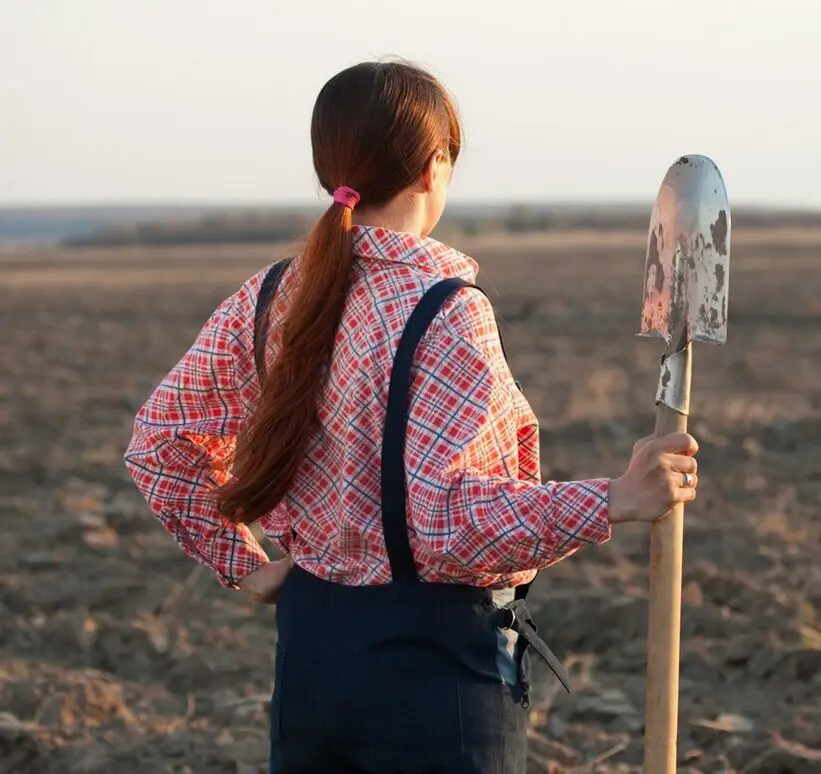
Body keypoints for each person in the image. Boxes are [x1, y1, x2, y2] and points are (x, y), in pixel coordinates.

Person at [123, 59, 700, 773]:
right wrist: (615, 499)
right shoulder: (446, 310)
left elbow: (160, 443)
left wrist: (245, 565)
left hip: (310, 666)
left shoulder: (269, 296)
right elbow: (448, 525)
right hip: (433, 687)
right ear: (434, 166)